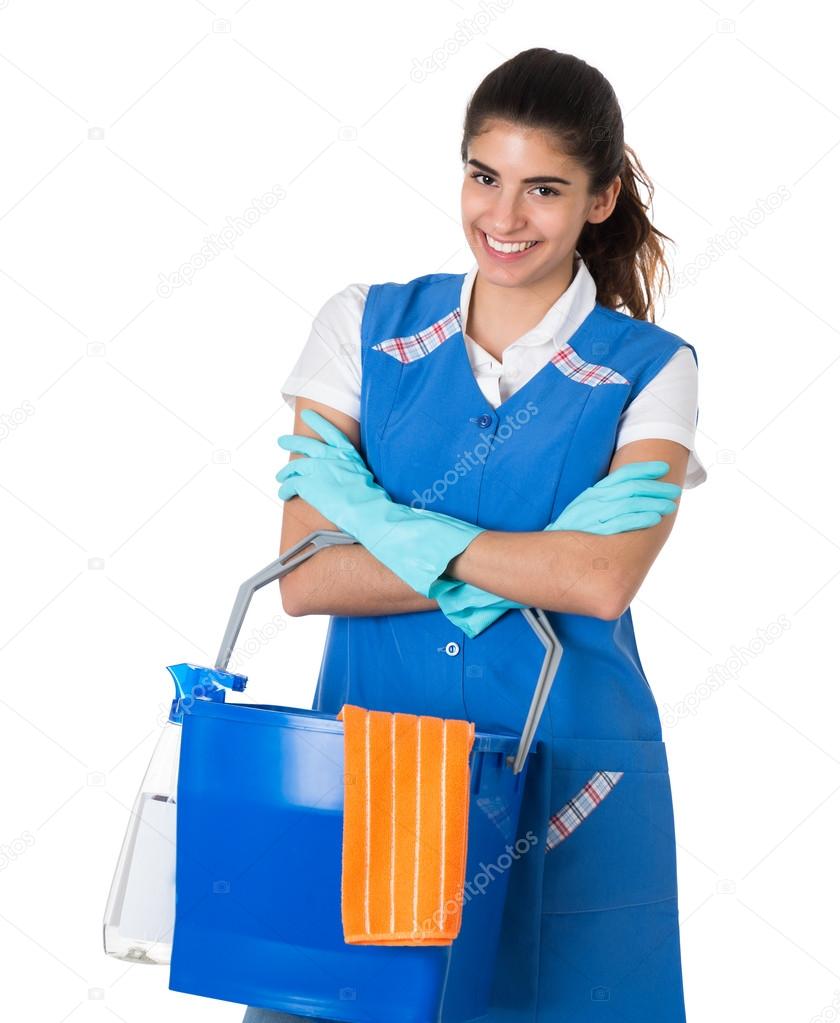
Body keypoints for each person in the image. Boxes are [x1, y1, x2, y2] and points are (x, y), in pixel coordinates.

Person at [243, 46, 707, 1023]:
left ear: (601, 197)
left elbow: (602, 582)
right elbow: (306, 577)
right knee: (354, 997)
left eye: (544, 189)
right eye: (483, 177)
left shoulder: (653, 368)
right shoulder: (361, 326)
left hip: (571, 779)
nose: (503, 218)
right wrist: (543, 554)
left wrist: (371, 516)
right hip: (377, 754)